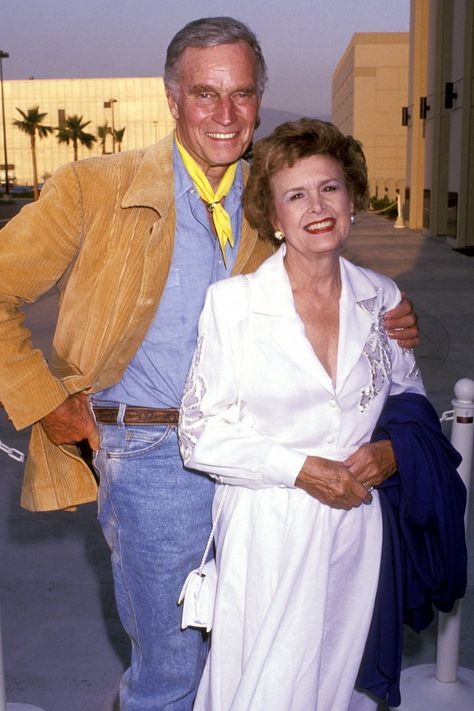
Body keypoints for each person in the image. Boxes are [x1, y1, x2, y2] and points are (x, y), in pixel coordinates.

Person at [0, 19, 418, 711]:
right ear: (172, 98)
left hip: (267, 464)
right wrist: (48, 401)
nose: (226, 115)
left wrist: (390, 315)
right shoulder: (94, 186)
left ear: (259, 100)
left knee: (258, 658)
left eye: (242, 95)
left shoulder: (273, 193)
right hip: (156, 458)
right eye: (205, 94)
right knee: (171, 671)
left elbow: (326, 276)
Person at [179, 118, 467, 710]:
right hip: (269, 524)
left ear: (353, 198)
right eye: (296, 195)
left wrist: (391, 454)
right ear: (274, 217)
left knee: (332, 684)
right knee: (260, 687)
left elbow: (406, 397)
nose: (317, 206)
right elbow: (200, 433)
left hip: (356, 524)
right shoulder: (233, 305)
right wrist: (299, 468)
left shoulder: (381, 296)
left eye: (330, 188)